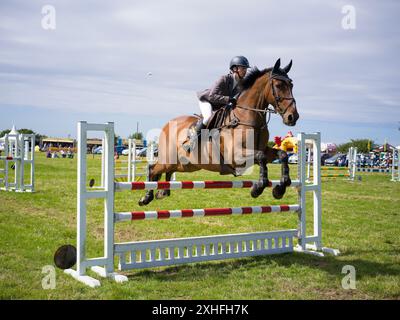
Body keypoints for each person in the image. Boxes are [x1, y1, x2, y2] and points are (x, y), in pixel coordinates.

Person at [190, 56, 251, 148]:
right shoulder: (223, 79)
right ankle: (192, 140)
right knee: (208, 117)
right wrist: (228, 99)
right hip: (207, 100)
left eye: (246, 68)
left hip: (220, 105)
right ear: (235, 69)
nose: (245, 71)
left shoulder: (241, 84)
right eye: (243, 68)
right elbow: (212, 96)